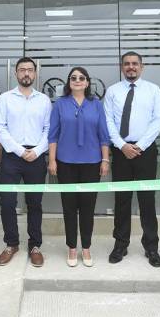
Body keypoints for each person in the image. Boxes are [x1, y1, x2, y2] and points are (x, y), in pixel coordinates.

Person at [103, 51, 160, 267]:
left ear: (141, 66)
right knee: (122, 200)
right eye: (127, 64)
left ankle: (151, 247)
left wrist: (140, 146)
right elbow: (108, 121)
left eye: (135, 64)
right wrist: (122, 145)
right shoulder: (113, 91)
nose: (131, 67)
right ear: (122, 67)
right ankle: (121, 244)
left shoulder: (153, 90)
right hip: (121, 151)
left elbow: (159, 119)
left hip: (145, 151)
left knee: (147, 200)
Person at [48, 66, 110, 268]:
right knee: (69, 207)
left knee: (87, 208)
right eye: (73, 77)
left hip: (92, 163)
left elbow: (103, 134)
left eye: (81, 78)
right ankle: (72, 247)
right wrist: (52, 160)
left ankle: (86, 247)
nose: (77, 80)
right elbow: (53, 134)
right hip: (66, 162)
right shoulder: (60, 104)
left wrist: (105, 160)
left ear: (87, 82)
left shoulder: (96, 104)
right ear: (69, 82)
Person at [0, 57, 51, 267]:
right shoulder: (5, 98)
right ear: (15, 73)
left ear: (35, 73)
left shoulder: (44, 100)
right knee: (7, 202)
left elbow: (49, 129)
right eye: (22, 70)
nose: (26, 73)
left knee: (34, 203)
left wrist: (36, 151)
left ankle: (35, 246)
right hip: (12, 157)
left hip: (36, 157)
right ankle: (12, 244)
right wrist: (19, 150)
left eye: (30, 70)